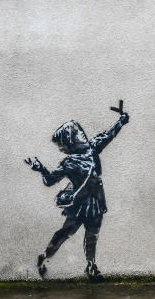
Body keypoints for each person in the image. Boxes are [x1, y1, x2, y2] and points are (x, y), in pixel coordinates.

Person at [25, 104, 129, 282]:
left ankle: (91, 266)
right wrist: (41, 168)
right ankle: (46, 256)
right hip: (80, 203)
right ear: (71, 140)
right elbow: (50, 180)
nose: (82, 134)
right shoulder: (70, 162)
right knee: (67, 231)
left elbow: (109, 134)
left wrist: (121, 120)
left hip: (95, 201)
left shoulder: (93, 147)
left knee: (92, 234)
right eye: (77, 133)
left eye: (79, 131)